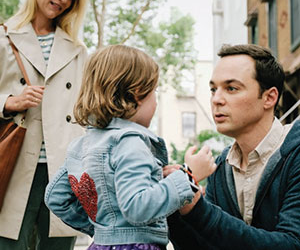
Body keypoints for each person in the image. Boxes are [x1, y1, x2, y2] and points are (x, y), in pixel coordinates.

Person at [44, 44, 217, 250]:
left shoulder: (81, 145)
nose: (156, 102)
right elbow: (137, 206)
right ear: (136, 94)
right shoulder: (131, 142)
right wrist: (190, 176)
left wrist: (105, 229)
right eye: (154, 92)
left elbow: (56, 197)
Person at [166, 44, 300, 249]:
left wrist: (199, 210)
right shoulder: (220, 168)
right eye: (213, 89)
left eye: (231, 88)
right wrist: (177, 207)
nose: (217, 99)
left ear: (269, 97)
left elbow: (292, 243)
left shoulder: (295, 154)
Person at [0, 0, 90, 250]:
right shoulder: (4, 38)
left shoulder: (77, 50)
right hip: (13, 166)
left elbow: (85, 110)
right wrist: (9, 101)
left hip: (62, 170)